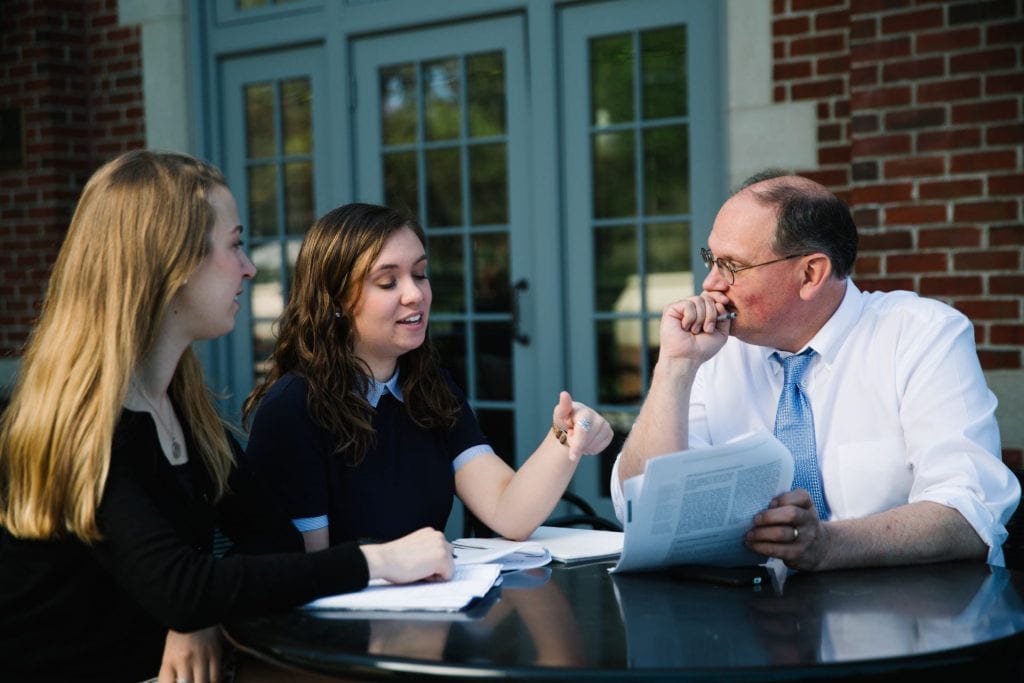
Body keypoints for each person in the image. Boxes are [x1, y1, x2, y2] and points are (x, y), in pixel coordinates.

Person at [0, 150, 453, 683]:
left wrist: (201, 609)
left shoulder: (180, 409)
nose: (249, 266)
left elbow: (269, 540)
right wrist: (378, 560)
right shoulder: (77, 423)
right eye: (235, 244)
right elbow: (183, 589)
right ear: (172, 263)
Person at [612, 170, 1020, 571]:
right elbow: (643, 504)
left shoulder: (922, 334)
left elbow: (970, 513)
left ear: (810, 274)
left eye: (731, 265)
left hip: (915, 615)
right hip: (749, 617)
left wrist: (827, 545)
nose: (710, 283)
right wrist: (674, 366)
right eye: (711, 259)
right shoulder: (713, 350)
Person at [243, 203, 613, 551]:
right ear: (336, 300)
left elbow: (508, 511)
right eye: (388, 282)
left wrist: (566, 436)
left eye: (419, 274)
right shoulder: (293, 409)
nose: (415, 293)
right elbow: (306, 573)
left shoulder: (428, 388)